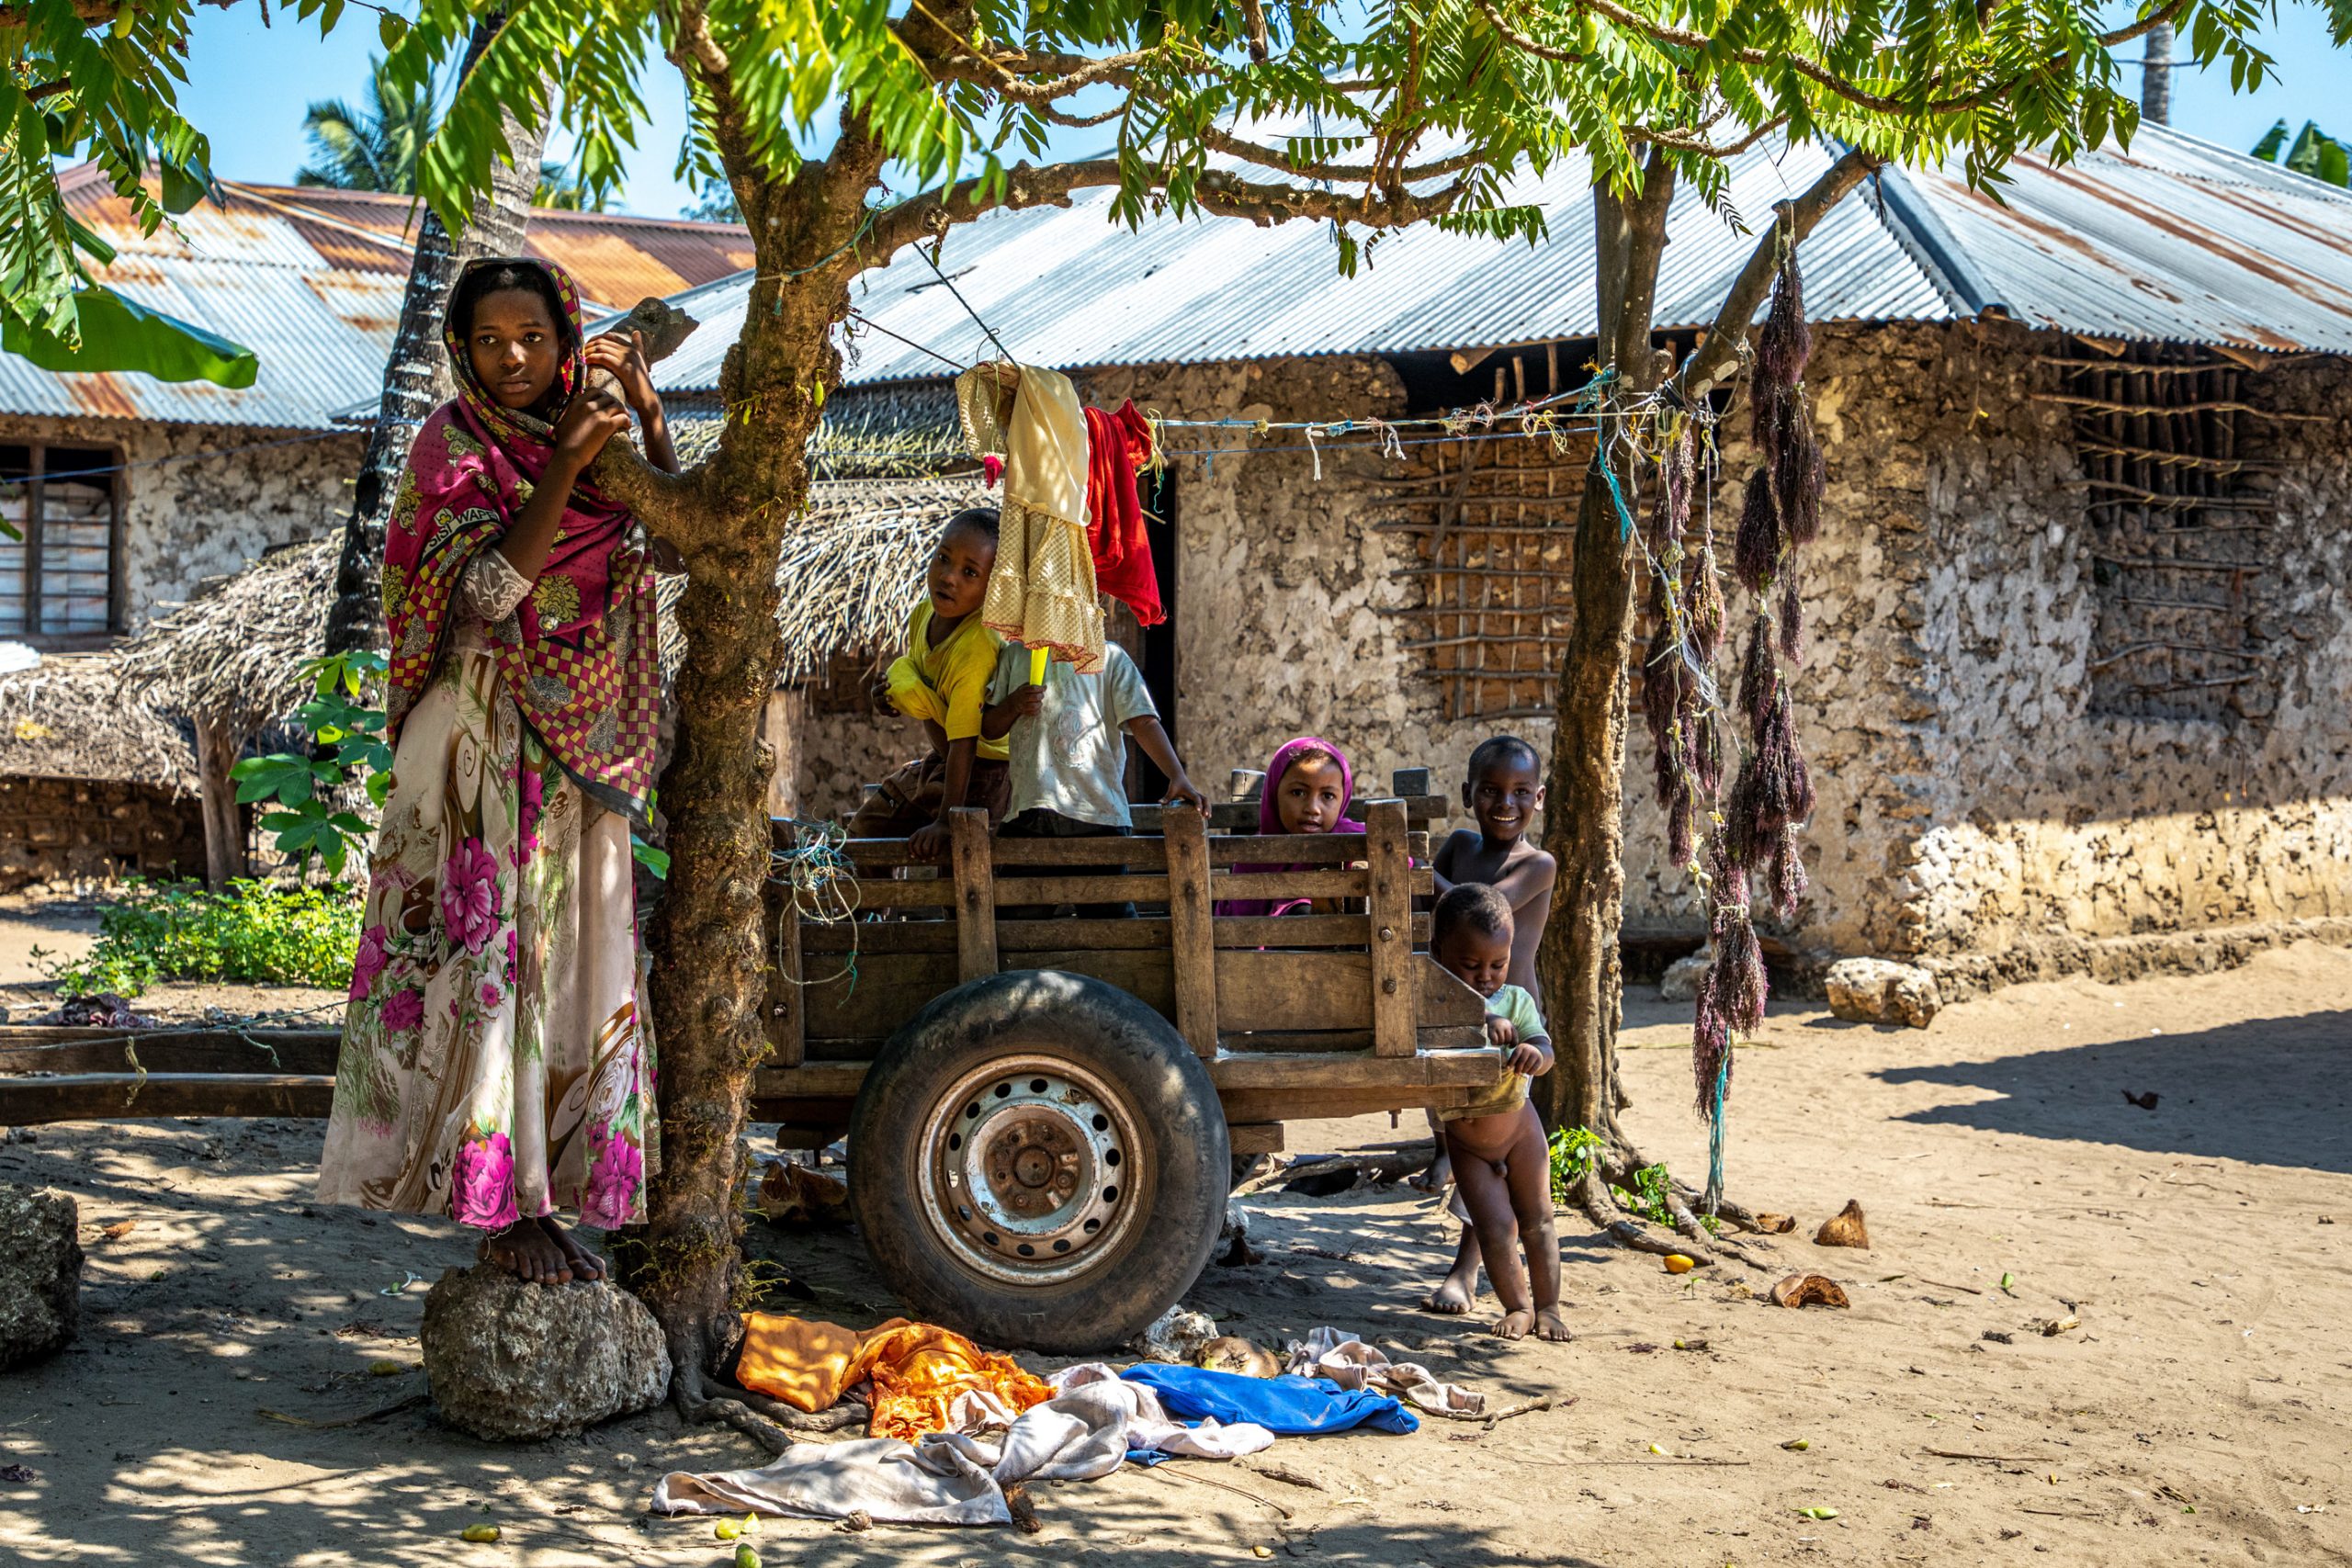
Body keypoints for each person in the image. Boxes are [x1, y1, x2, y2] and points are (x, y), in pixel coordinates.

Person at [318, 257, 673, 1287]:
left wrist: (647, 419)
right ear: (460, 351)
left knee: (570, 956)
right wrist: (563, 464)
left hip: (577, 746)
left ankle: (550, 1194)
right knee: (486, 958)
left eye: (533, 336)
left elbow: (681, 545)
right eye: (488, 340)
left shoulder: (598, 431)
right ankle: (500, 1209)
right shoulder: (453, 445)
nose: (512, 357)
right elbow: (481, 590)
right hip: (478, 733)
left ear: (567, 340)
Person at [1418, 884, 1568, 1340]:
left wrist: (1533, 1053)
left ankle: (1550, 1306)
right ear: (1438, 951)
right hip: (1466, 1143)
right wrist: (1482, 1021)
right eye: (1471, 965)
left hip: (1520, 1133)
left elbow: (1545, 1048)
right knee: (1496, 1228)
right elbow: (1430, 1038)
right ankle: (1518, 1307)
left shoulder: (1516, 1000)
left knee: (1538, 1221)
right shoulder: (1429, 1002)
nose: (1486, 976)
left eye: (1498, 965)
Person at [1421, 735, 1558, 1198]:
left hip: (1513, 1016)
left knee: (1497, 1134)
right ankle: (1442, 1150)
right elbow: (1429, 910)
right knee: (1449, 1102)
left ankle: (1469, 1260)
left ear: (1539, 798)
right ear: (1467, 795)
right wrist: (1414, 877)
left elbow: (1484, 905)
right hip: (1456, 1002)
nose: (1505, 802)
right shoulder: (1459, 846)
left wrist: (1413, 870)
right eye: (1490, 790)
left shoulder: (1539, 863)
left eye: (1521, 791)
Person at [981, 639, 1206, 917]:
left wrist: (1177, 775)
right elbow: (989, 728)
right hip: (1031, 815)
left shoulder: (1109, 657)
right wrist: (1013, 704)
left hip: (1099, 818)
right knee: (1017, 925)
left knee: (1111, 922)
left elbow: (1143, 720)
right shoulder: (1015, 655)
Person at [846, 509, 1012, 860]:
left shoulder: (976, 647)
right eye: (943, 558)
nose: (949, 577)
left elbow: (966, 740)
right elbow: (921, 685)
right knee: (866, 832)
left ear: (992, 589)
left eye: (970, 572)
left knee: (958, 868)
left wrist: (946, 820)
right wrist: (890, 697)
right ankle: (875, 915)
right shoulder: (922, 615)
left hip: (983, 774)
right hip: (942, 759)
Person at [1213, 736, 1363, 918]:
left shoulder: (1351, 840)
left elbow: (1398, 856)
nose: (1313, 809)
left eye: (1328, 796)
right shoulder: (1253, 858)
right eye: (1298, 792)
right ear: (1274, 794)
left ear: (1343, 799)